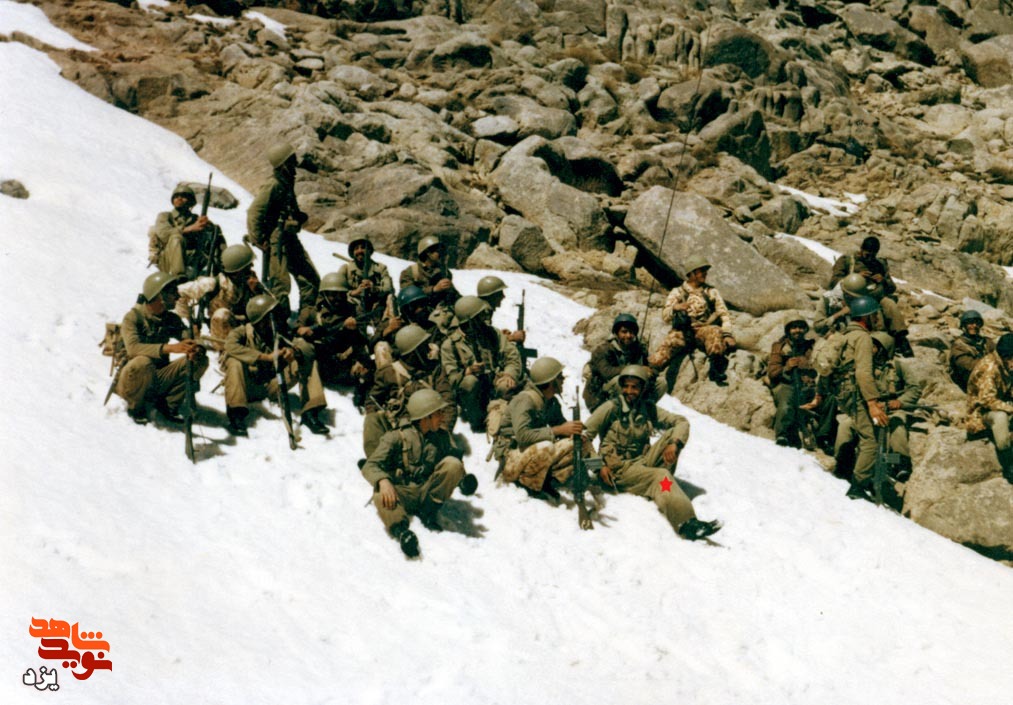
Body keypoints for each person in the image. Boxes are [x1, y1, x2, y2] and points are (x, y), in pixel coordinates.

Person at [584, 365, 721, 540]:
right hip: (618, 471)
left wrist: (675, 444)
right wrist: (598, 467)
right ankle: (686, 523)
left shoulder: (647, 408)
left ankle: (660, 490)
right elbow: (582, 439)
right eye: (626, 386)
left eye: (634, 387)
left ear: (642, 389)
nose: (629, 391)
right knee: (660, 476)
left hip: (641, 462)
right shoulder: (611, 407)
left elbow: (681, 422)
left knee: (673, 435)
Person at [360, 389, 478, 558]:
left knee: (453, 464)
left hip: (426, 491)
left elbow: (454, 459)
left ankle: (429, 513)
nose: (442, 417)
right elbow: (370, 465)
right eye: (438, 413)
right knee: (380, 493)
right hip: (403, 492)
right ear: (425, 417)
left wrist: (463, 479)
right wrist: (383, 481)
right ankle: (402, 532)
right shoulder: (396, 437)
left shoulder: (441, 436)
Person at [221, 293, 328, 437]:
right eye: (268, 318)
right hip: (247, 387)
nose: (274, 321)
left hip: (274, 384)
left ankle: (310, 412)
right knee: (234, 361)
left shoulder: (282, 331)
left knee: (305, 360)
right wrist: (266, 357)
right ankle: (236, 416)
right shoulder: (242, 332)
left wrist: (294, 352)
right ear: (258, 320)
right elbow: (230, 346)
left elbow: (307, 347)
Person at [116, 271, 209, 424]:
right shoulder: (133, 318)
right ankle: (136, 408)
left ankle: (168, 406)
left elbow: (189, 338)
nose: (177, 297)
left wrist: (196, 348)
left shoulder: (171, 319)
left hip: (158, 378)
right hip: (133, 381)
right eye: (173, 293)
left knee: (200, 360)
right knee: (143, 362)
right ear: (160, 295)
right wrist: (170, 348)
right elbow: (133, 348)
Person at [494, 357, 588, 499]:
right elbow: (523, 436)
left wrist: (573, 432)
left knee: (578, 442)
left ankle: (549, 480)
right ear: (551, 382)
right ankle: (528, 484)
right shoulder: (525, 399)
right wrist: (558, 430)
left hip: (531, 453)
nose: (563, 380)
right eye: (559, 377)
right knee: (546, 446)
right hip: (511, 457)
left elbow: (561, 425)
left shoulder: (551, 402)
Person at [247, 141, 320, 324]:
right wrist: (259, 240)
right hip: (276, 242)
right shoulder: (273, 185)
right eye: (291, 160)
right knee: (280, 285)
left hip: (289, 238)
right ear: (283, 164)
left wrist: (298, 217)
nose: (295, 163)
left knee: (309, 279)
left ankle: (306, 319)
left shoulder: (286, 182)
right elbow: (254, 212)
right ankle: (280, 324)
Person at [835, 332, 923, 484]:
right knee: (846, 426)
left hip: (892, 409)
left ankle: (899, 464)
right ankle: (843, 464)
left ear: (884, 348)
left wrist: (900, 401)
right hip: (866, 409)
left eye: (874, 346)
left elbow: (914, 388)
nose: (869, 349)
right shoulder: (861, 367)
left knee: (896, 427)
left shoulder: (898, 366)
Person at [363, 324, 455, 457]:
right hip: (398, 428)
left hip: (429, 427)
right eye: (423, 346)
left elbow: (448, 400)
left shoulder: (435, 370)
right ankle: (376, 460)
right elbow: (372, 401)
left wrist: (443, 428)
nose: (428, 349)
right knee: (372, 419)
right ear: (413, 352)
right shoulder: (388, 373)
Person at [441, 296, 521, 433]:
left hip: (493, 382)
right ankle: (478, 423)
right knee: (469, 382)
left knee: (506, 385)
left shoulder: (492, 333)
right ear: (470, 321)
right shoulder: (450, 345)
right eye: (478, 316)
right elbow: (450, 380)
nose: (483, 319)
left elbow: (512, 356)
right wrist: (468, 371)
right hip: (470, 394)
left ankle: (503, 418)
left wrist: (509, 374)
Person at [835, 296, 889, 499]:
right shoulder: (863, 338)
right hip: (857, 394)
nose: (877, 318)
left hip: (843, 393)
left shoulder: (843, 335)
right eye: (875, 315)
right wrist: (872, 403)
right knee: (870, 442)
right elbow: (863, 373)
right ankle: (857, 486)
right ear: (867, 317)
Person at [653, 255, 737, 385]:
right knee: (667, 346)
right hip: (682, 332)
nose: (705, 274)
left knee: (715, 331)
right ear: (691, 273)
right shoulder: (677, 292)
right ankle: (650, 374)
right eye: (701, 271)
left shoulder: (711, 292)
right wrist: (675, 308)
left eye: (705, 271)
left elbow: (723, 314)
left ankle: (716, 369)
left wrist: (727, 334)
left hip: (703, 330)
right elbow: (665, 316)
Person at [829, 236, 912, 356]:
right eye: (867, 255)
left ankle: (901, 339)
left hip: (876, 296)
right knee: (874, 313)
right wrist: (855, 278)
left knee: (890, 304)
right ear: (861, 249)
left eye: (873, 255)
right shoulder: (847, 261)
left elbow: (892, 288)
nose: (869, 258)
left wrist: (883, 280)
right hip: (853, 297)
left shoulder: (880, 264)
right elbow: (833, 282)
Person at [297, 273, 373, 401]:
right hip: (322, 368)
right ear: (324, 294)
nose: (337, 298)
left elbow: (363, 342)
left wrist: (352, 330)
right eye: (333, 294)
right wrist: (304, 331)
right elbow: (296, 332)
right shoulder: (311, 312)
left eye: (341, 294)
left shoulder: (354, 311)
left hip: (345, 367)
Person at [176, 243, 267, 351]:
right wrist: (190, 324)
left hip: (243, 329)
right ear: (236, 272)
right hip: (222, 335)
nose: (251, 271)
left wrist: (257, 292)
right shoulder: (212, 284)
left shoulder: (249, 283)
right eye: (247, 269)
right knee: (222, 314)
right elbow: (180, 292)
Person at [584, 313, 661, 412]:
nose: (628, 335)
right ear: (616, 333)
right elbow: (606, 372)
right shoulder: (603, 350)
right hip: (600, 396)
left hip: (631, 391)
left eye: (631, 332)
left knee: (661, 383)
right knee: (619, 381)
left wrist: (650, 372)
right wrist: (635, 370)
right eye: (624, 332)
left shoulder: (638, 349)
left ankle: (643, 410)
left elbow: (652, 367)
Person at [148, 184, 225, 280]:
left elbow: (215, 233)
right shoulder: (165, 216)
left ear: (191, 202)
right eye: (176, 196)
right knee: (176, 238)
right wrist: (190, 228)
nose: (179, 198)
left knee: (217, 236)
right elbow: (164, 234)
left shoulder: (195, 219)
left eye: (184, 196)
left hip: (193, 260)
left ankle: (225, 269)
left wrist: (209, 226)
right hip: (168, 260)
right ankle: (179, 277)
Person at [966, 333, 1013, 482]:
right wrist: (1010, 408)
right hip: (981, 412)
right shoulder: (989, 368)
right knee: (1000, 418)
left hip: (1001, 403)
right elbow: (986, 400)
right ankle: (1008, 462)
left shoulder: (1006, 364)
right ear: (1006, 356)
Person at [767, 319, 817, 448]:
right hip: (787, 384)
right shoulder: (779, 347)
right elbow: (772, 373)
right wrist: (787, 368)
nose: (797, 331)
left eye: (801, 327)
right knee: (786, 405)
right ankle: (781, 434)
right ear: (788, 330)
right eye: (794, 328)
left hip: (808, 385)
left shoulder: (811, 346)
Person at [338, 236, 393, 323]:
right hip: (354, 307)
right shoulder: (346, 269)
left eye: (363, 248)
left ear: (370, 251)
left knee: (390, 298)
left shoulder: (380, 268)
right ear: (352, 252)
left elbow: (389, 288)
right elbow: (337, 291)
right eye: (356, 248)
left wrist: (374, 288)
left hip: (376, 306)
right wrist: (354, 292)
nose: (360, 251)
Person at [399, 235, 459, 309]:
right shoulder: (411, 272)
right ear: (428, 252)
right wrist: (433, 289)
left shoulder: (444, 271)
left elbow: (453, 294)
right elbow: (407, 297)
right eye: (438, 251)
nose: (441, 254)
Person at [949, 310, 994, 392]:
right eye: (970, 323)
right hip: (968, 383)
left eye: (977, 323)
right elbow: (969, 365)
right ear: (964, 325)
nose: (974, 326)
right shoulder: (958, 345)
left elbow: (1000, 354)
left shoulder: (987, 342)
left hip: (987, 377)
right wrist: (991, 365)